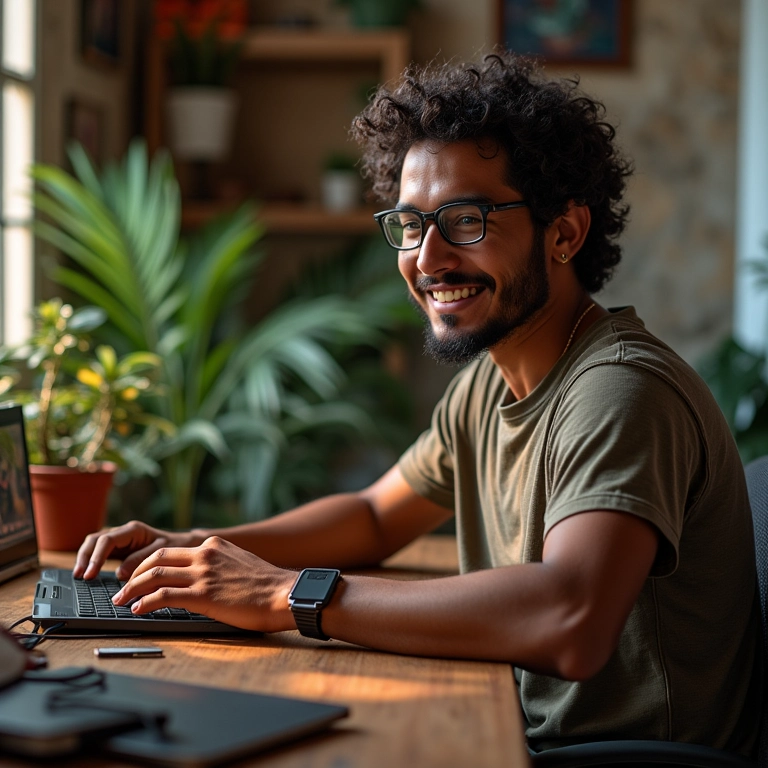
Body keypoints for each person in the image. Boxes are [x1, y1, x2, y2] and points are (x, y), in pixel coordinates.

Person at [74, 52, 761, 756]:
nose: (426, 258)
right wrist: (199, 550)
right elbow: (374, 516)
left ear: (564, 232)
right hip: (528, 731)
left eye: (464, 219)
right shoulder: (490, 382)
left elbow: (570, 619)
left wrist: (287, 596)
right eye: (409, 223)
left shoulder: (619, 390)